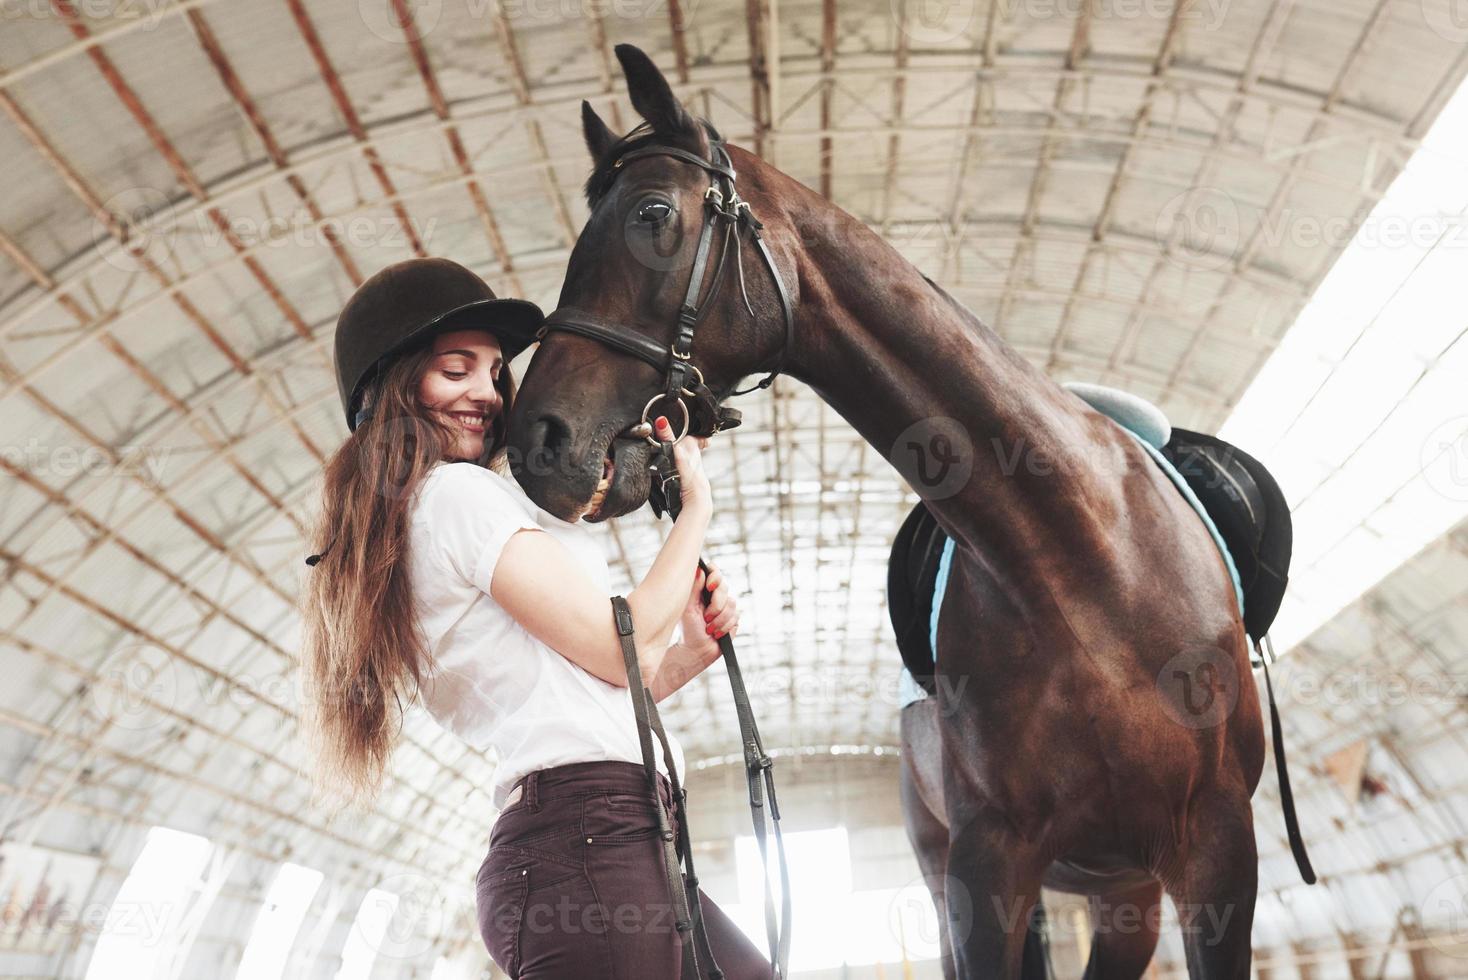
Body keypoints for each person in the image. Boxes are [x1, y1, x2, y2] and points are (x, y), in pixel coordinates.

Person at [299, 257, 772, 979]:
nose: (485, 395)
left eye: (492, 374)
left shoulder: (423, 517)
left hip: (608, 836)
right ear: (393, 385)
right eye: (455, 369)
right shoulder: (454, 495)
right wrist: (696, 508)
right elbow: (619, 655)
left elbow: (589, 691)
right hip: (586, 842)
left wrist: (694, 650)